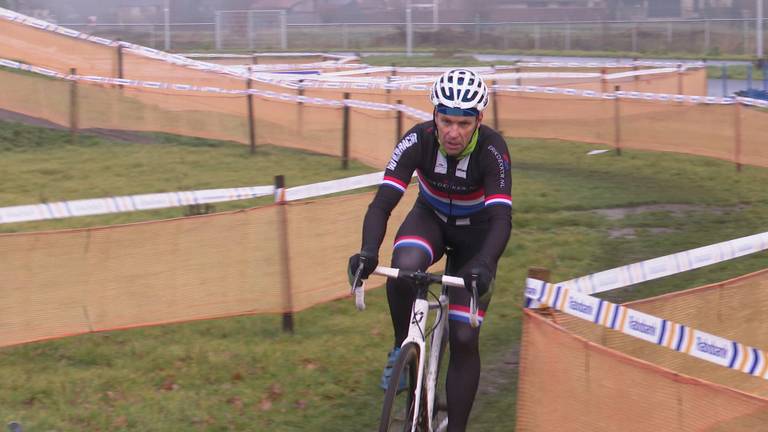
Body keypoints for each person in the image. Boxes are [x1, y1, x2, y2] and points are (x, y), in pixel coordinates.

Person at [347, 68, 512, 431]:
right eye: (446, 121)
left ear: (479, 121)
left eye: (464, 124)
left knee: (465, 336)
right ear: (434, 115)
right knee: (404, 266)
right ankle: (401, 348)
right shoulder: (417, 140)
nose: (453, 132)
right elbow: (382, 205)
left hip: (477, 235)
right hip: (430, 219)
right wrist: (367, 251)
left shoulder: (492, 150)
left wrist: (484, 263)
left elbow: (501, 220)